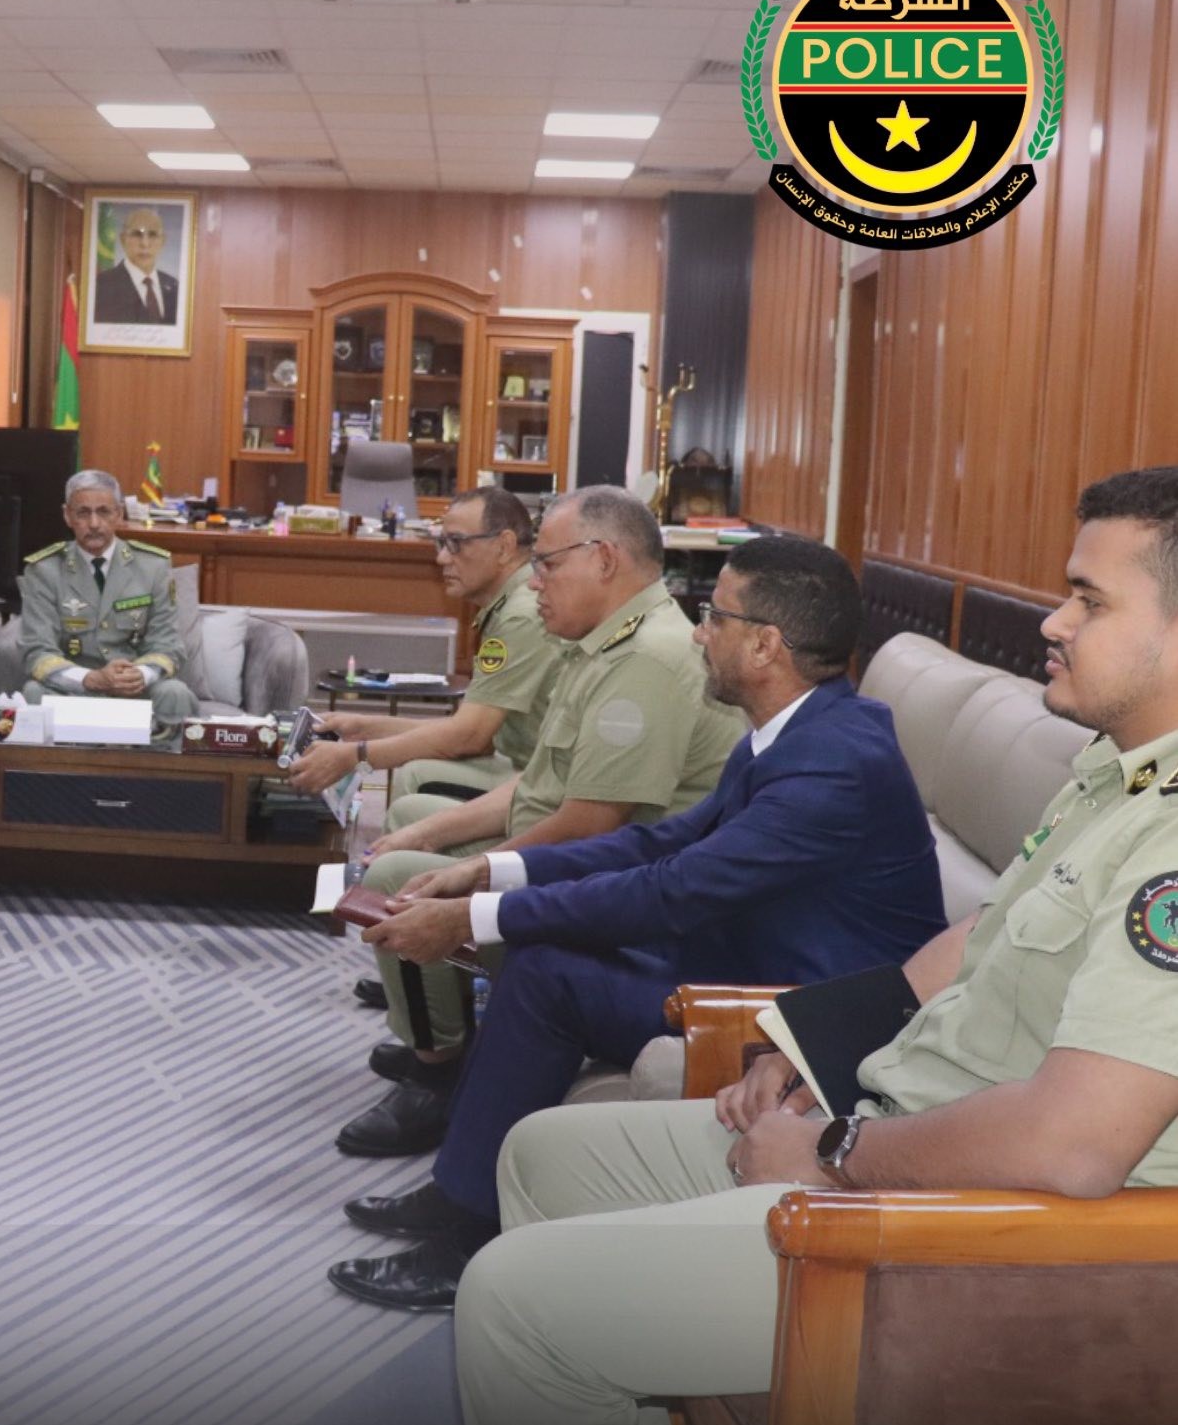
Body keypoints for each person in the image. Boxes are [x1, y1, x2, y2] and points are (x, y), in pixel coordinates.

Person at [453, 467, 1178, 1425]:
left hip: (963, 1229)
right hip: (891, 1118)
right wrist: (810, 1051)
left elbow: (1076, 1144)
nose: (1054, 621)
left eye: (1090, 599)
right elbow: (971, 943)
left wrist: (833, 1150)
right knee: (540, 1153)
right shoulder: (1112, 775)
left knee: (509, 1303)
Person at [327, 535, 944, 1311]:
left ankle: (467, 1231)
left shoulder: (832, 763)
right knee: (544, 952)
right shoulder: (799, 730)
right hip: (743, 958)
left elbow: (672, 890)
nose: (698, 632)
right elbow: (666, 841)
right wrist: (494, 871)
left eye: (715, 615)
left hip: (797, 1014)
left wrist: (473, 919)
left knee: (547, 971)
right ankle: (463, 1188)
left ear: (765, 644)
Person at [337, 486, 744, 1159]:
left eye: (548, 564)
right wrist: (442, 841)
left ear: (604, 560)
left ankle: (437, 1075)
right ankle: (445, 1041)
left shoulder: (644, 658)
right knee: (413, 843)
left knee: (395, 878)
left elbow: (591, 826)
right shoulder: (604, 645)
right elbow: (539, 784)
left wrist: (480, 874)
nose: (534, 581)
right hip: (581, 860)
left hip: (617, 896)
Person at [285, 486, 560, 1015]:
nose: (441, 558)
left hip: (533, 781)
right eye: (440, 542)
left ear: (504, 545)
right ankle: (410, 963)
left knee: (416, 781)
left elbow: (469, 737)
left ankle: (433, 1017)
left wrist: (356, 755)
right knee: (414, 778)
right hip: (522, 768)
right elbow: (474, 728)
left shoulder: (521, 613)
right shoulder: (511, 605)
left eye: (456, 543)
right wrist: (366, 727)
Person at [19, 469, 195, 731]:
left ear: (119, 514)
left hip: (135, 689)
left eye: (103, 512)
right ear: (67, 515)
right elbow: (38, 651)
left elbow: (167, 645)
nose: (94, 523)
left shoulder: (153, 566)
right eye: (83, 513)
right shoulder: (44, 571)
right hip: (75, 690)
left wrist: (138, 675)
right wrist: (90, 679)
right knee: (34, 693)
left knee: (175, 693)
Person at [91, 207, 180, 326]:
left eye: (153, 234)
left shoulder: (175, 287)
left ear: (163, 241)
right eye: (136, 234)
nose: (145, 244)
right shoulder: (100, 286)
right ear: (123, 240)